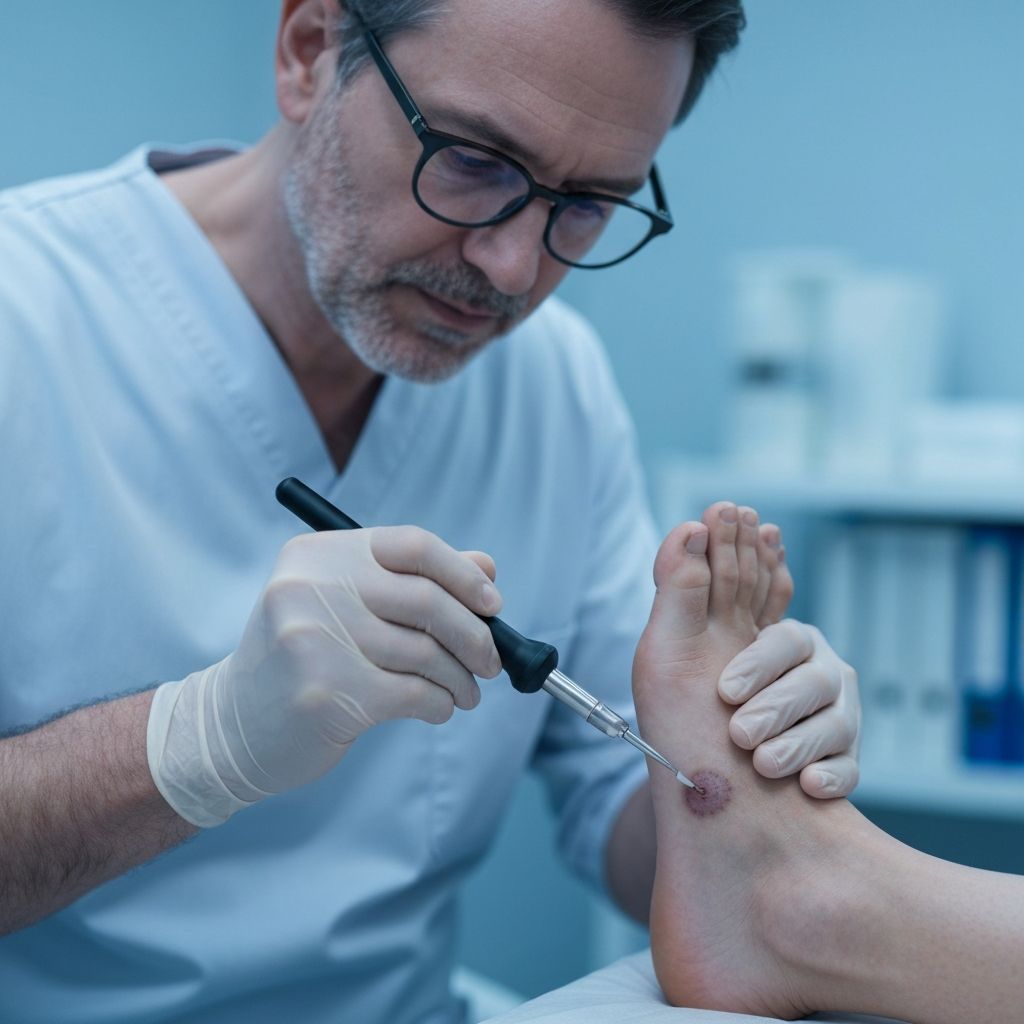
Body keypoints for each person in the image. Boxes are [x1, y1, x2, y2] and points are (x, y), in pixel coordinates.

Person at [0, 2, 861, 1021]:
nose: (514, 270)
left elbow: (622, 814)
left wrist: (726, 769)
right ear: (309, 52)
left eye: (585, 204)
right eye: (472, 161)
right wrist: (198, 743)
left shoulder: (554, 383)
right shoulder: (26, 320)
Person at [631, 503, 1024, 1024]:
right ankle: (808, 897)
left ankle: (796, 903)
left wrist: (736, 817)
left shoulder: (578, 429)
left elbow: (606, 785)